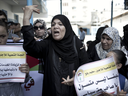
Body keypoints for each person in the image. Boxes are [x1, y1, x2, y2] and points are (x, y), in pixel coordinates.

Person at [22, 5, 90, 96]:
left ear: (67, 28)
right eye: (53, 24)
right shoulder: (48, 44)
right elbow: (30, 47)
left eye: (60, 24)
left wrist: (77, 79)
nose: (55, 27)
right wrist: (26, 19)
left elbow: (87, 67)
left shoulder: (77, 45)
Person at [0, 20, 30, 96]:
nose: (0, 40)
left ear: (8, 34)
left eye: (2, 36)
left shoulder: (16, 52)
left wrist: (25, 73)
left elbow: (25, 80)